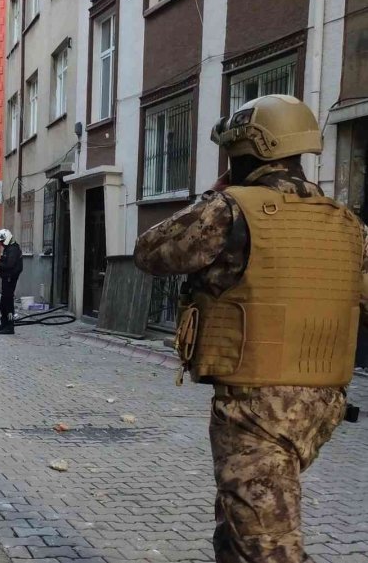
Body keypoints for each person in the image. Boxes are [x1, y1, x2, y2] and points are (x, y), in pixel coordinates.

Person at [134, 95, 365, 563]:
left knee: (268, 546)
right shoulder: (346, 223)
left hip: (257, 403)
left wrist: (216, 196)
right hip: (323, 402)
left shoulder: (229, 209)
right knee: (239, 521)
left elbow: (151, 253)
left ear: (247, 150)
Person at [0, 229, 23, 335]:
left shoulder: (13, 249)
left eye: (1, 242)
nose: (0, 244)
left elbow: (9, 265)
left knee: (8, 303)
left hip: (10, 279)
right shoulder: (8, 249)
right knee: (3, 304)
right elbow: (5, 261)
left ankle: (10, 326)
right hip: (6, 278)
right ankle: (4, 324)